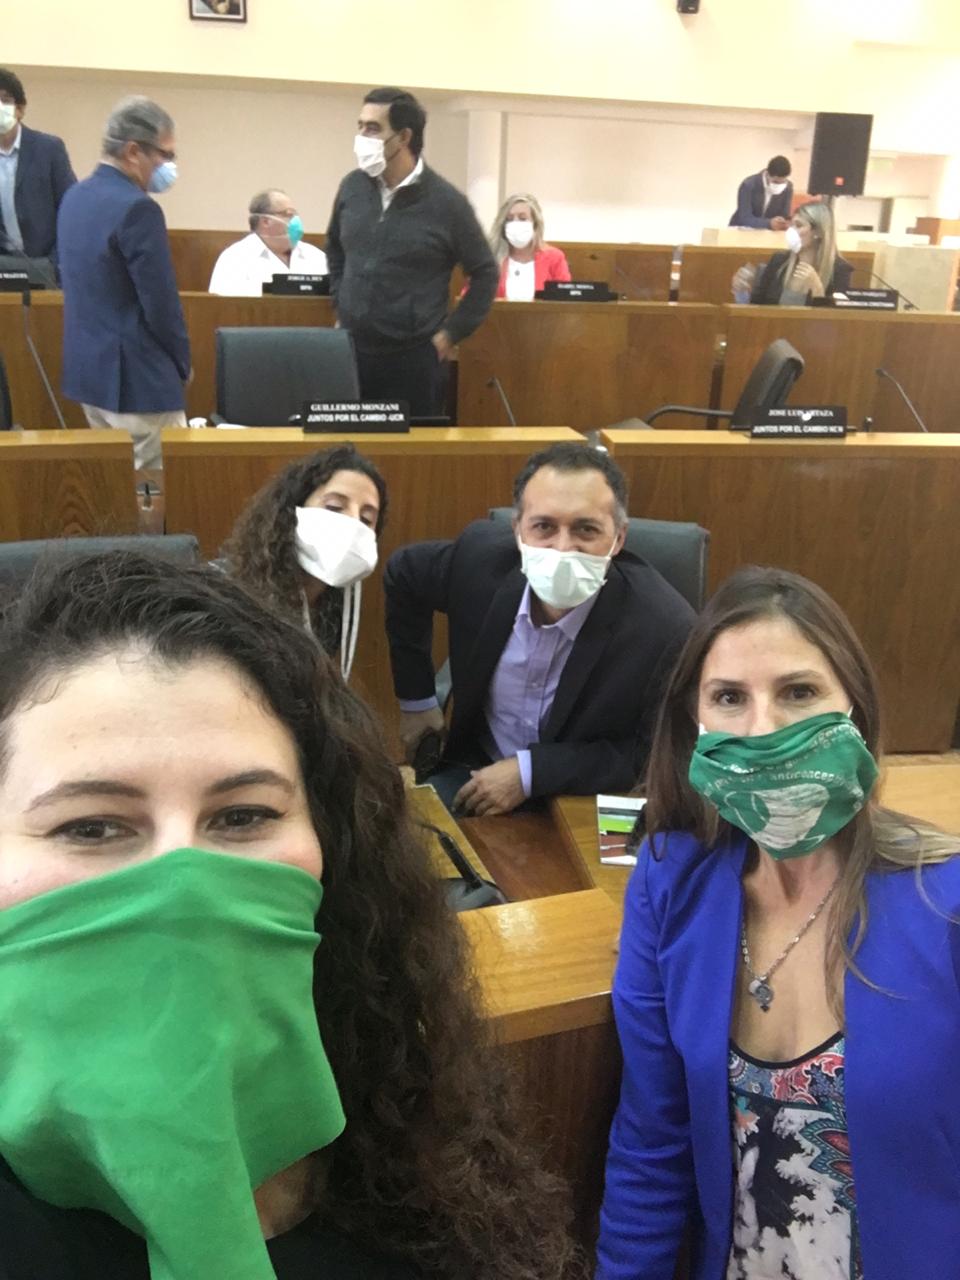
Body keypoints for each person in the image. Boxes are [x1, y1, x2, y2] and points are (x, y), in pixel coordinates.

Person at [0, 552, 584, 1280]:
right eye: (90, 826)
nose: (185, 882)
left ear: (328, 841)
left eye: (243, 815)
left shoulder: (411, 1131)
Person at [596, 565, 960, 1280]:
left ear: (855, 708)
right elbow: (650, 1143)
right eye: (729, 697)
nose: (763, 730)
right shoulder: (668, 883)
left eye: (798, 692)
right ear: (694, 724)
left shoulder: (944, 904)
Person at [384, 442, 695, 815]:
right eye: (544, 527)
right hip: (475, 772)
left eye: (586, 529)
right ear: (518, 530)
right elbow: (404, 574)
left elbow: (660, 750)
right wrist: (417, 702)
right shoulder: (479, 561)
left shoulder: (665, 627)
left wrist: (531, 773)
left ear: (619, 538)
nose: (562, 548)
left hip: (585, 795)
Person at [325, 87, 498, 418]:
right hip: (349, 351)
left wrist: (449, 335)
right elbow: (335, 248)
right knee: (345, 447)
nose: (362, 137)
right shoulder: (352, 187)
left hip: (414, 361)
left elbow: (485, 273)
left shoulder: (447, 203)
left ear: (404, 137)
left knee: (412, 451)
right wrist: (341, 301)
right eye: (360, 126)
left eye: (373, 128)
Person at [57, 96, 190, 475]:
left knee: (114, 485)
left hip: (90, 376)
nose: (170, 167)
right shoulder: (138, 208)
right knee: (156, 490)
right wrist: (182, 363)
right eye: (165, 155)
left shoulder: (75, 196)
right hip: (139, 382)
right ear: (133, 151)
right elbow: (161, 305)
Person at [222, 444, 387, 680]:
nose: (353, 523)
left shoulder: (336, 604)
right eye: (334, 507)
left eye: (366, 519)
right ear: (291, 510)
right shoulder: (231, 598)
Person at [0, 67, 76, 269]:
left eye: (5, 100)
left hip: (47, 266)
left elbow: (71, 209)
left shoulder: (49, 149)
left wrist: (55, 263)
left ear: (20, 109)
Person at [208, 188, 328, 296]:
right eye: (288, 214)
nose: (296, 220)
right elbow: (222, 306)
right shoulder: (234, 258)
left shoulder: (316, 256)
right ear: (266, 221)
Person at [750, 201, 852, 305]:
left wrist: (817, 289)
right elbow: (756, 306)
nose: (791, 231)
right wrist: (745, 291)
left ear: (818, 232)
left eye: (798, 226)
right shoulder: (779, 260)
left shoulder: (839, 270)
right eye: (791, 225)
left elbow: (834, 314)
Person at [489, 193, 571, 300]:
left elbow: (565, 300)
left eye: (522, 218)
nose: (515, 223)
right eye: (509, 219)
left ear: (535, 223)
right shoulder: (492, 257)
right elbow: (473, 296)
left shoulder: (554, 258)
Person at [729, 155, 793, 231]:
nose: (779, 185)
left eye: (782, 182)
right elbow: (745, 218)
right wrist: (768, 223)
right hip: (743, 228)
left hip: (769, 232)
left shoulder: (788, 187)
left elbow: (785, 214)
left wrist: (783, 222)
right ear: (767, 174)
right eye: (775, 182)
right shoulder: (749, 185)